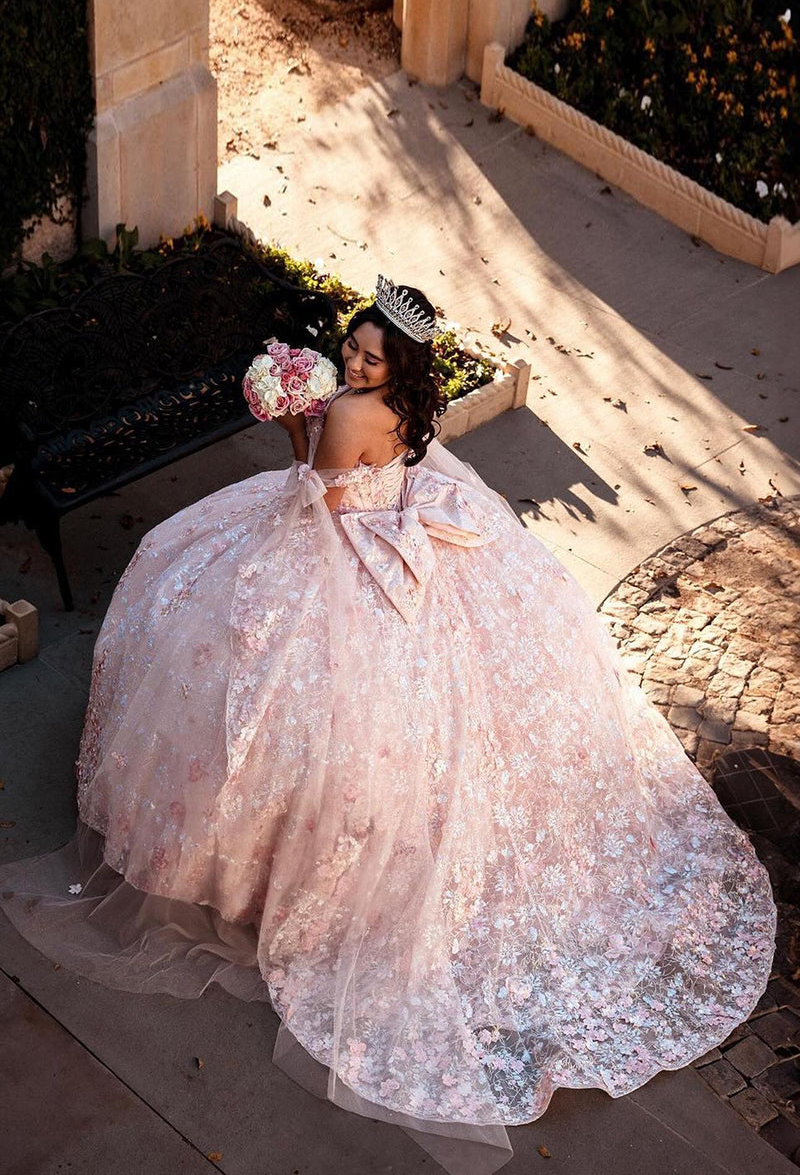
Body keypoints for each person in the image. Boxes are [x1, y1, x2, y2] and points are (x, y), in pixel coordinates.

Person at [0, 277, 776, 1174]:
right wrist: (317, 416)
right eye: (354, 350)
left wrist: (299, 421)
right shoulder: (403, 406)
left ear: (394, 364)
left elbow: (316, 498)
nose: (357, 362)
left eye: (370, 357)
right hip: (406, 522)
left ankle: (247, 865)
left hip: (341, 538)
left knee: (212, 634)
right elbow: (380, 470)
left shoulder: (347, 410)